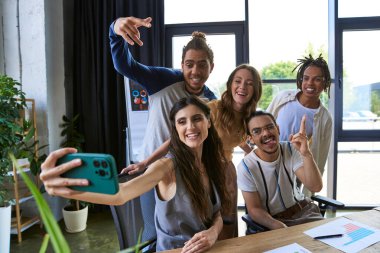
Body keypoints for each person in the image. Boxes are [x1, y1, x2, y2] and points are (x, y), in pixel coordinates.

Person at [40, 96, 231, 252]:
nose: (190, 127)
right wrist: (67, 189)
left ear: (208, 122)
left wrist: (213, 233)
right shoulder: (166, 167)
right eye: (182, 122)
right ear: (176, 130)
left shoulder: (212, 163)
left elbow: (217, 215)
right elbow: (121, 193)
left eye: (196, 118)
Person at [110, 16, 217, 243]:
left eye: (202, 64)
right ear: (182, 65)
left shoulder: (210, 101)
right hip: (153, 168)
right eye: (189, 64)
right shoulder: (163, 79)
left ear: (212, 67)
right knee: (153, 234)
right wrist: (115, 31)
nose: (195, 71)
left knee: (191, 233)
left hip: (188, 175)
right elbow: (125, 65)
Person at [124, 64, 263, 239]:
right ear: (230, 84)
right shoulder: (213, 108)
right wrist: (146, 162)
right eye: (238, 81)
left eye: (249, 83)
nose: (243, 87)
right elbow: (174, 140)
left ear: (255, 89)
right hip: (204, 167)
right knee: (201, 222)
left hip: (226, 172)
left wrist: (257, 159)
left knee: (228, 221)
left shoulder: (249, 118)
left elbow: (241, 143)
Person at [237, 111, 323, 230]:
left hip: (305, 212)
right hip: (274, 222)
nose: (266, 133)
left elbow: (315, 187)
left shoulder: (291, 149)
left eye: (270, 127)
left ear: (278, 129)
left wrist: (306, 154)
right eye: (257, 131)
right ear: (250, 139)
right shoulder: (246, 167)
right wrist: (279, 226)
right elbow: (254, 209)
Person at [266, 54, 332, 184]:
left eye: (317, 79)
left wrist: (311, 187)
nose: (310, 83)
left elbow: (321, 155)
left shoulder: (325, 118)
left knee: (291, 203)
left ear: (325, 83)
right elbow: (263, 123)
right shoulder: (283, 98)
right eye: (306, 78)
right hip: (268, 162)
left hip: (296, 172)